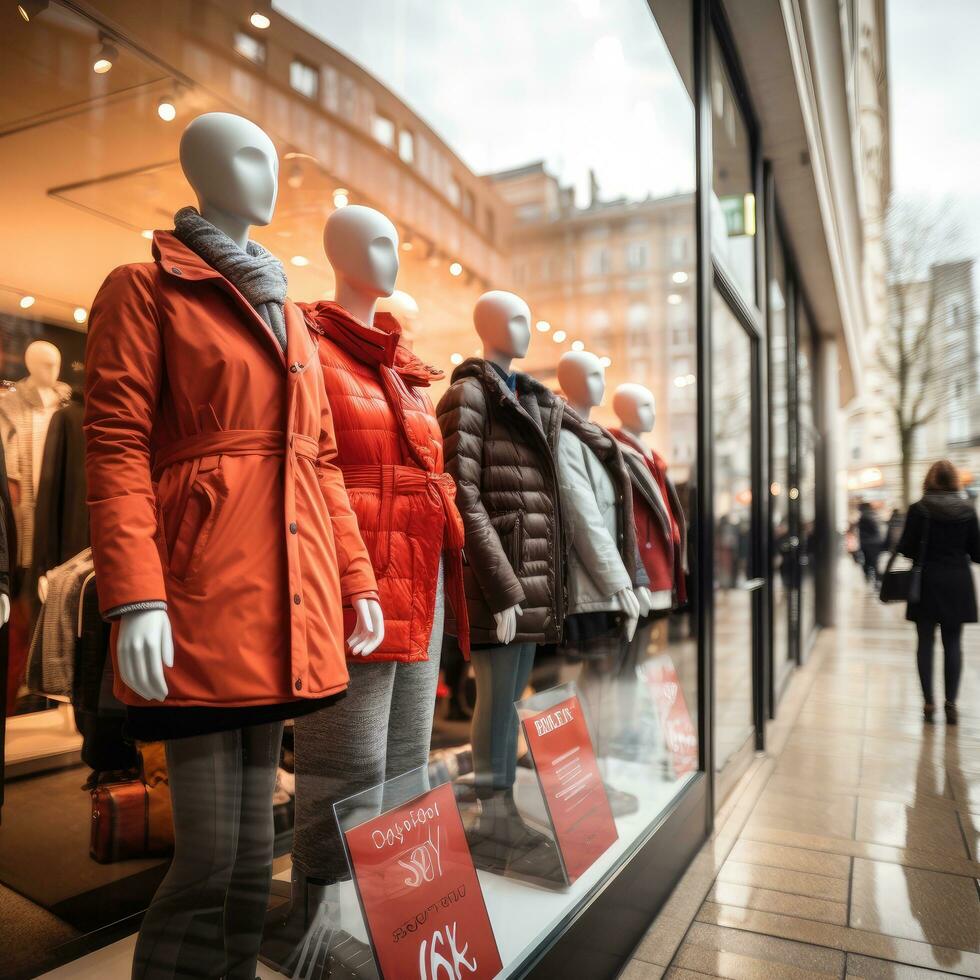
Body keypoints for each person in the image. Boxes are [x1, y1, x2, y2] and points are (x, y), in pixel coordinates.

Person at [895, 460, 980, 724]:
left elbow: (905, 548)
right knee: (953, 643)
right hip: (957, 581)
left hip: (926, 582)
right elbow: (977, 553)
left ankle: (928, 703)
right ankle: (951, 703)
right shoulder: (968, 510)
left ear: (929, 480)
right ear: (955, 480)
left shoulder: (919, 509)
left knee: (924, 643)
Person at [857, 501, 883, 586]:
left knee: (867, 562)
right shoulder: (874, 515)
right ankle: (876, 579)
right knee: (874, 562)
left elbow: (871, 529)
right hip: (876, 543)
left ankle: (869, 578)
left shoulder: (864, 517)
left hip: (867, 543)